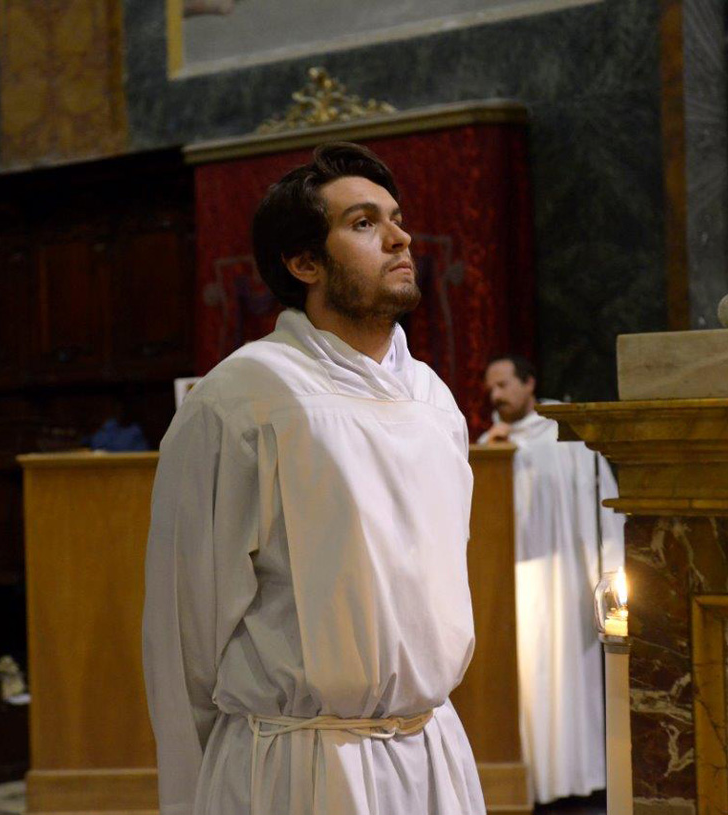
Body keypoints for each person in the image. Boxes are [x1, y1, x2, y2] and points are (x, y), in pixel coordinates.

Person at [143, 142, 485, 815]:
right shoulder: (242, 399)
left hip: (432, 751)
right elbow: (185, 632)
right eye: (363, 223)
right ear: (304, 263)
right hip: (296, 764)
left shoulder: (433, 399)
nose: (399, 237)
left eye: (395, 218)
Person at [479, 356, 624, 803]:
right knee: (525, 687)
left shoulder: (570, 438)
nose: (496, 396)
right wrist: (492, 456)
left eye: (504, 385)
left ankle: (574, 782)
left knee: (566, 683)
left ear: (529, 383)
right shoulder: (488, 447)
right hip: (512, 590)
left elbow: (604, 509)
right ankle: (529, 784)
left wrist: (611, 577)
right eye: (491, 389)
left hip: (565, 587)